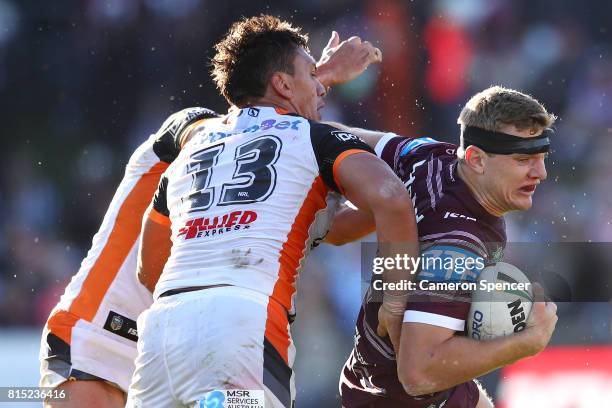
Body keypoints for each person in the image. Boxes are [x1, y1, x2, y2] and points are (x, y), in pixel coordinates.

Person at [38, 17, 387, 408]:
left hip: (165, 339)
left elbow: (333, 229)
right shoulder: (193, 128)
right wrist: (317, 78)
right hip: (97, 334)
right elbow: (252, 120)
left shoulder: (257, 171)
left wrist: (403, 201)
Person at [126, 15, 420, 408]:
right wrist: (396, 301)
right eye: (312, 76)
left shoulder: (192, 149)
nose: (321, 88)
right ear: (282, 84)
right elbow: (390, 196)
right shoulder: (315, 138)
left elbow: (149, 269)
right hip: (243, 325)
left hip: (163, 332)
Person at [326, 86, 559, 407]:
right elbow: (418, 373)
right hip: (401, 400)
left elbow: (337, 136)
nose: (540, 172)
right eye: (523, 160)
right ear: (477, 159)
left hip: (375, 379)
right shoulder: (455, 249)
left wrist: (312, 89)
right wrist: (527, 342)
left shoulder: (432, 155)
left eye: (541, 158)